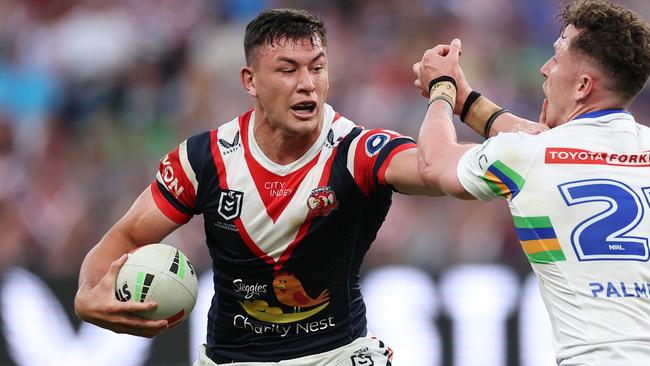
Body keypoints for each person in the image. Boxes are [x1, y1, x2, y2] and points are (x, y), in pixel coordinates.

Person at [74, 8, 540, 365]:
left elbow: (443, 169)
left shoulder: (358, 152)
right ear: (250, 81)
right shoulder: (203, 159)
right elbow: (127, 238)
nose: (307, 85)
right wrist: (87, 296)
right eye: (288, 69)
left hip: (337, 355)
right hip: (233, 359)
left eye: (317, 68)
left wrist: (459, 99)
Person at [413, 0, 650, 365]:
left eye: (556, 57)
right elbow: (542, 142)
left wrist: (441, 91)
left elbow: (434, 163)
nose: (544, 69)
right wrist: (468, 102)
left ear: (584, 85)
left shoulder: (526, 157)